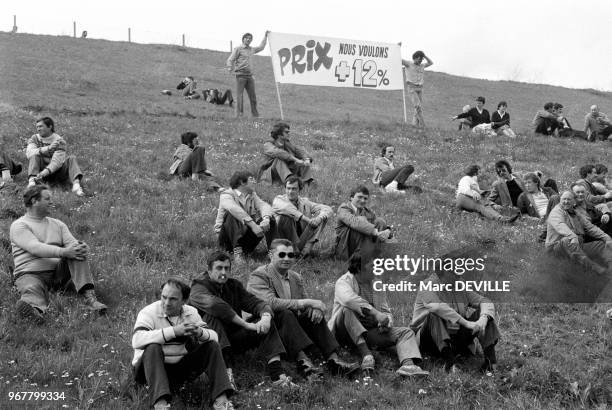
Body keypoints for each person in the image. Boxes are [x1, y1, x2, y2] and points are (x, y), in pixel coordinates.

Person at [247, 239, 360, 378]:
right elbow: (270, 303)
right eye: (282, 254)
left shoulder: (296, 277)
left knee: (310, 315)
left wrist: (315, 309)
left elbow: (306, 305)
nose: (287, 258)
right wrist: (307, 302)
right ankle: (304, 363)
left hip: (290, 325)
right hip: (266, 327)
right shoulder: (260, 275)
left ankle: (334, 360)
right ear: (271, 255)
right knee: (285, 313)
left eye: (291, 255)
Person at [189, 251, 297, 388]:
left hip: (234, 339)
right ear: (209, 270)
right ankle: (226, 374)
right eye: (219, 268)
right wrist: (246, 325)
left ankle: (278, 375)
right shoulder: (198, 287)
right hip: (208, 345)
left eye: (227, 268)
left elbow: (256, 303)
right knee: (211, 316)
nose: (223, 272)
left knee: (262, 321)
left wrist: (266, 317)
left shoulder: (234, 285)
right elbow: (216, 306)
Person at [132, 277, 235, 410]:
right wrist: (174, 331)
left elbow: (215, 338)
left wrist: (199, 332)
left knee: (212, 346)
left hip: (178, 370)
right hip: (148, 371)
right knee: (153, 346)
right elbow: (137, 340)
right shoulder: (148, 312)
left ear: (184, 301)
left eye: (173, 299)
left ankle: (221, 401)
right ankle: (161, 404)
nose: (166, 303)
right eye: (164, 297)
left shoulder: (191, 312)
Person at [10, 185, 107, 324]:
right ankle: (33, 310)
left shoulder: (58, 224)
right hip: (30, 273)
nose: (51, 202)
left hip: (58, 274)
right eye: (47, 198)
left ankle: (90, 299)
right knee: (33, 289)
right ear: (33, 201)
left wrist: (81, 247)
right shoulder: (19, 225)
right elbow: (34, 247)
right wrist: (63, 252)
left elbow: (72, 244)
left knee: (76, 251)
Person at [329, 253, 429, 377]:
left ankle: (408, 365)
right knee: (346, 309)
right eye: (373, 265)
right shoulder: (343, 281)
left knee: (406, 332)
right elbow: (349, 300)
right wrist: (375, 313)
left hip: (369, 332)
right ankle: (366, 355)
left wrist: (386, 322)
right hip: (344, 332)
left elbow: (385, 310)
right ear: (360, 268)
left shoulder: (377, 283)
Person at [411, 248, 501, 373]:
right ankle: (450, 363)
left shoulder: (460, 284)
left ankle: (491, 364)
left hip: (456, 336)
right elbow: (438, 307)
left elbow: (485, 301)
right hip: (430, 341)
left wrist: (483, 319)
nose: (459, 274)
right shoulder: (427, 285)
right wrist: (466, 322)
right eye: (454, 271)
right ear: (441, 272)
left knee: (485, 313)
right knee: (433, 313)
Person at [214, 171, 276, 262]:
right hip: (227, 242)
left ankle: (273, 252)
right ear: (242, 182)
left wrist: (266, 219)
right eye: (251, 179)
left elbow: (264, 205)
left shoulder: (252, 195)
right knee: (231, 213)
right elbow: (233, 208)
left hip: (245, 238)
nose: (254, 181)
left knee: (271, 219)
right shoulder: (226, 195)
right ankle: (238, 252)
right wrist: (253, 225)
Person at [545, 191, 612, 275]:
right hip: (556, 248)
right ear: (560, 200)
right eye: (564, 199)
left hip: (577, 244)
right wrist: (573, 237)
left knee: (600, 245)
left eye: (569, 199)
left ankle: (610, 268)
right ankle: (596, 269)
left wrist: (606, 237)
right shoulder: (556, 212)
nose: (566, 201)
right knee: (567, 240)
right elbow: (559, 225)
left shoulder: (576, 213)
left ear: (574, 201)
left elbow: (590, 227)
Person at [272, 176, 333, 257]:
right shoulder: (278, 200)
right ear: (285, 189)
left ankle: (306, 248)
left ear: (299, 190)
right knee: (285, 217)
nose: (290, 192)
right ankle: (291, 250)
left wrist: (319, 218)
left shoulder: (305, 202)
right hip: (281, 243)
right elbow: (288, 209)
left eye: (294, 189)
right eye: (288, 188)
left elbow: (328, 209)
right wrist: (307, 219)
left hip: (300, 242)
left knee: (323, 216)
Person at [26, 117, 85, 196]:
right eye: (37, 127)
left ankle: (76, 186)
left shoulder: (59, 140)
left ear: (50, 127)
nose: (38, 129)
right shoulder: (34, 138)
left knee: (71, 158)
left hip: (55, 172)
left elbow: (57, 162)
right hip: (39, 174)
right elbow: (29, 153)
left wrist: (43, 173)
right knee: (34, 155)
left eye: (41, 126)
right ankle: (32, 183)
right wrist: (48, 148)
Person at [334, 185, 395, 260]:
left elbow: (380, 226)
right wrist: (374, 231)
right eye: (359, 197)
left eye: (365, 198)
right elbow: (354, 222)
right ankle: (364, 258)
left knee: (380, 221)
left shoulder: (367, 212)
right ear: (351, 197)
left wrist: (388, 231)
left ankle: (376, 255)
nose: (363, 200)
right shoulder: (344, 208)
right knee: (360, 221)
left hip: (365, 245)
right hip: (346, 248)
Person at [226, 31, 269, 117]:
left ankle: (255, 115)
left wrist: (265, 36)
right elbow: (230, 59)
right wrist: (229, 67)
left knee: (253, 97)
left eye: (250, 39)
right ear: (243, 39)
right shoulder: (238, 49)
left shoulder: (252, 49)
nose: (249, 40)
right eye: (247, 38)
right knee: (239, 97)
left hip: (250, 76)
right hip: (240, 76)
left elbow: (261, 47)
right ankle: (239, 115)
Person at [401, 50, 433, 128]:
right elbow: (399, 59)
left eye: (421, 59)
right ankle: (423, 125)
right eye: (419, 59)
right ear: (415, 58)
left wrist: (424, 56)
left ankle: (414, 125)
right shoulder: (408, 63)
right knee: (418, 106)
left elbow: (431, 63)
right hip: (412, 88)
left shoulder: (422, 65)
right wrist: (397, 48)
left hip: (420, 89)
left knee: (417, 108)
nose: (420, 61)